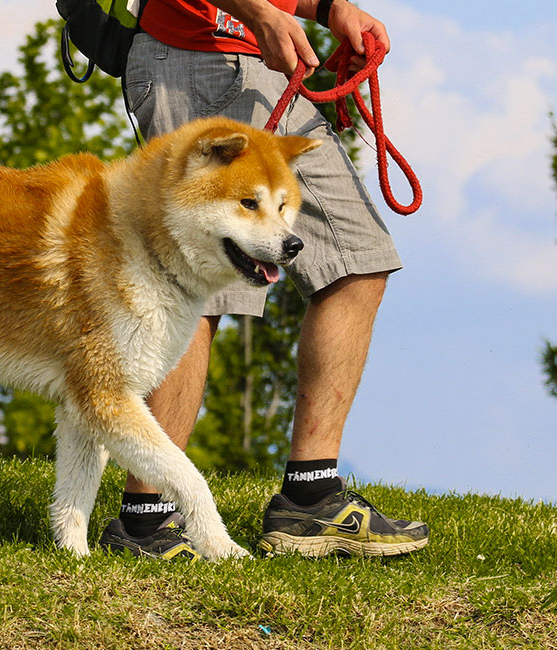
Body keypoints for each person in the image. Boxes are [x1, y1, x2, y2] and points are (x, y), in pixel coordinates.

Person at [98, 0, 429, 559]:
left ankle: (310, 500)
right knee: (203, 285)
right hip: (195, 57)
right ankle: (145, 521)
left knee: (357, 260)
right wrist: (259, 14)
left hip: (259, 67)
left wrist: (330, 10)